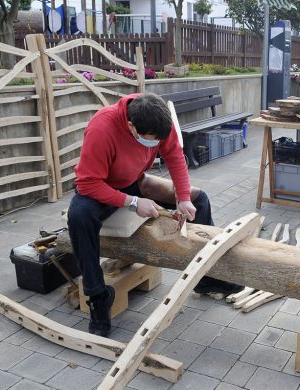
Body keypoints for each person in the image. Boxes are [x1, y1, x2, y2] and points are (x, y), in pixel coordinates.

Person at [67, 93, 242, 337]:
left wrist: (182, 198)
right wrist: (133, 202)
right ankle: (98, 298)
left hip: (134, 181)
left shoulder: (159, 120)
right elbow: (87, 183)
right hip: (100, 188)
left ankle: (206, 278)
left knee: (198, 200)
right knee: (79, 217)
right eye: (151, 140)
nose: (155, 143)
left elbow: (175, 156)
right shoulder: (102, 128)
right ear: (131, 127)